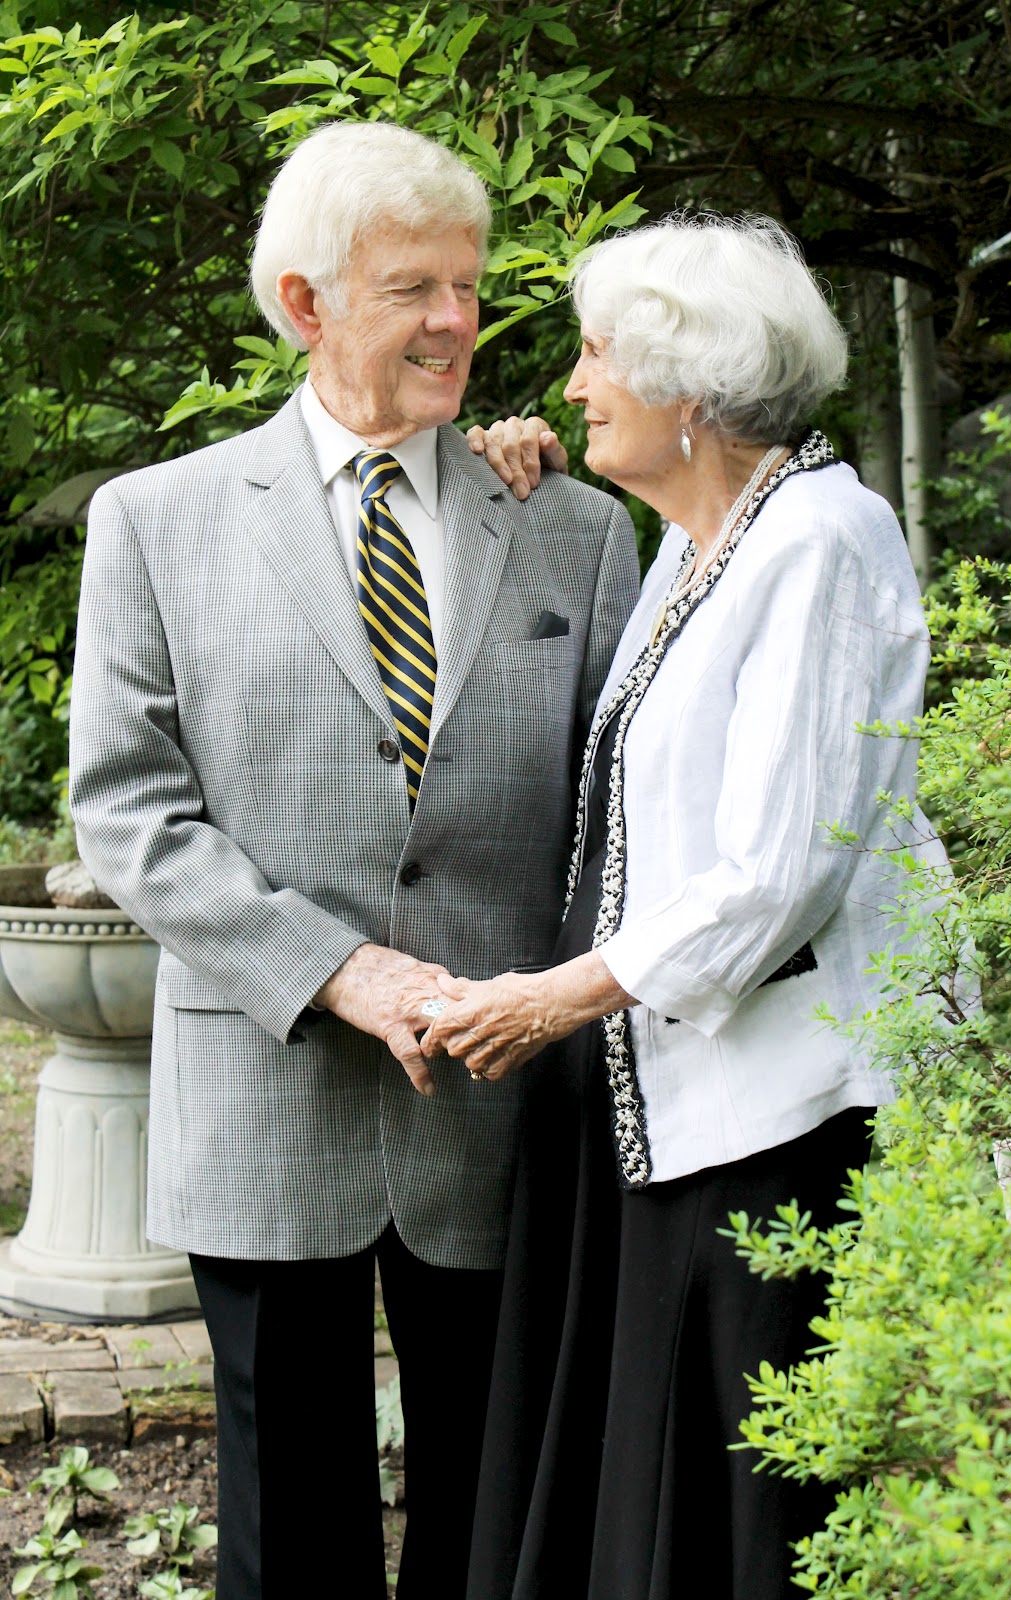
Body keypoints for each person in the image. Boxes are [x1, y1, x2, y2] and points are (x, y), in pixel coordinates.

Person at [67, 120, 639, 1600]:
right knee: (289, 1536)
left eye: (468, 285)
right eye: (412, 289)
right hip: (264, 1095)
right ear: (305, 303)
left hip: (505, 1106)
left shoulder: (572, 528)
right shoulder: (156, 522)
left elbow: (617, 815)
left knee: (495, 1526)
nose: (456, 320)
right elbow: (128, 814)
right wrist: (341, 971)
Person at [424, 215, 953, 1600]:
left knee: (743, 1510)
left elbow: (778, 870)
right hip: (658, 1099)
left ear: (691, 388)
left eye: (599, 355)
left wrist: (554, 998)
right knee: (650, 1495)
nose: (573, 383)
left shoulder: (820, 539)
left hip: (774, 1115)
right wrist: (511, 481)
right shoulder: (696, 545)